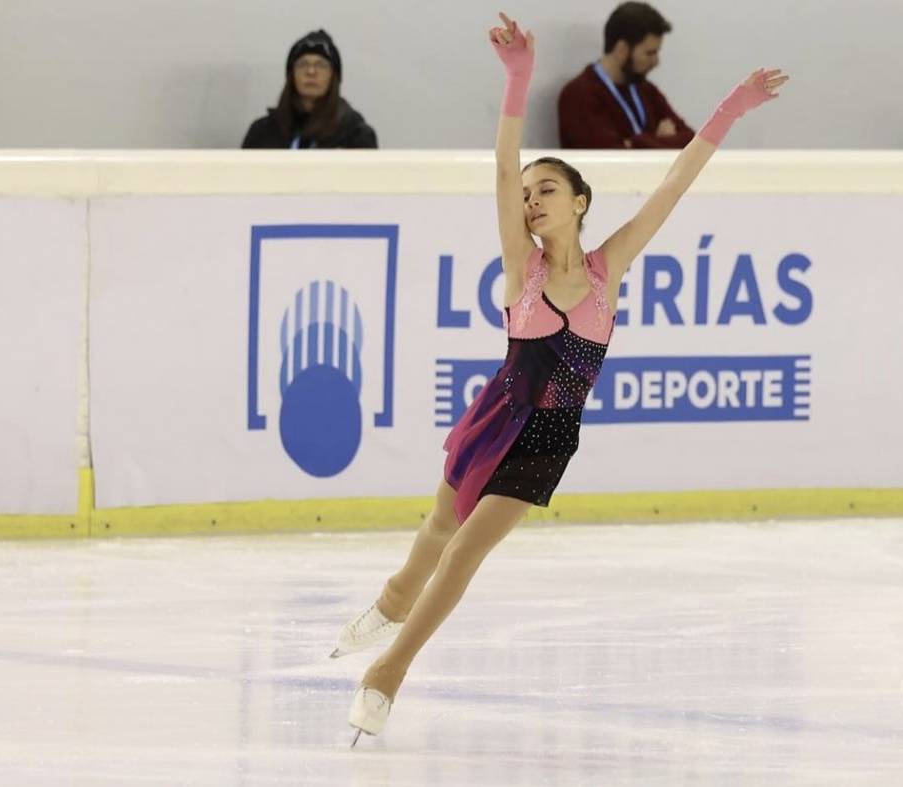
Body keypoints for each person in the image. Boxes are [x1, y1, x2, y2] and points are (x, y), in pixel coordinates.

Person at [336, 12, 787, 744]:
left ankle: (387, 670)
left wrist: (729, 110)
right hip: (496, 414)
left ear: (578, 201)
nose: (531, 199)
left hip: (549, 435)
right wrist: (517, 78)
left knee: (463, 549)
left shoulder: (610, 268)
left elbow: (674, 185)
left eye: (546, 189)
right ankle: (390, 599)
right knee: (438, 530)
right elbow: (501, 163)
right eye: (526, 194)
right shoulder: (524, 271)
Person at [557, 2, 695, 149]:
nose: (656, 62)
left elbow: (691, 141)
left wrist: (635, 142)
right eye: (649, 53)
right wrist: (658, 139)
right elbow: (611, 156)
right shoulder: (579, 96)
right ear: (622, 49)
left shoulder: (646, 90)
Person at [242, 30, 378, 149]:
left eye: (321, 65)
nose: (311, 71)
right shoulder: (262, 131)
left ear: (333, 76)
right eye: (302, 64)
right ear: (291, 75)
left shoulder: (356, 135)